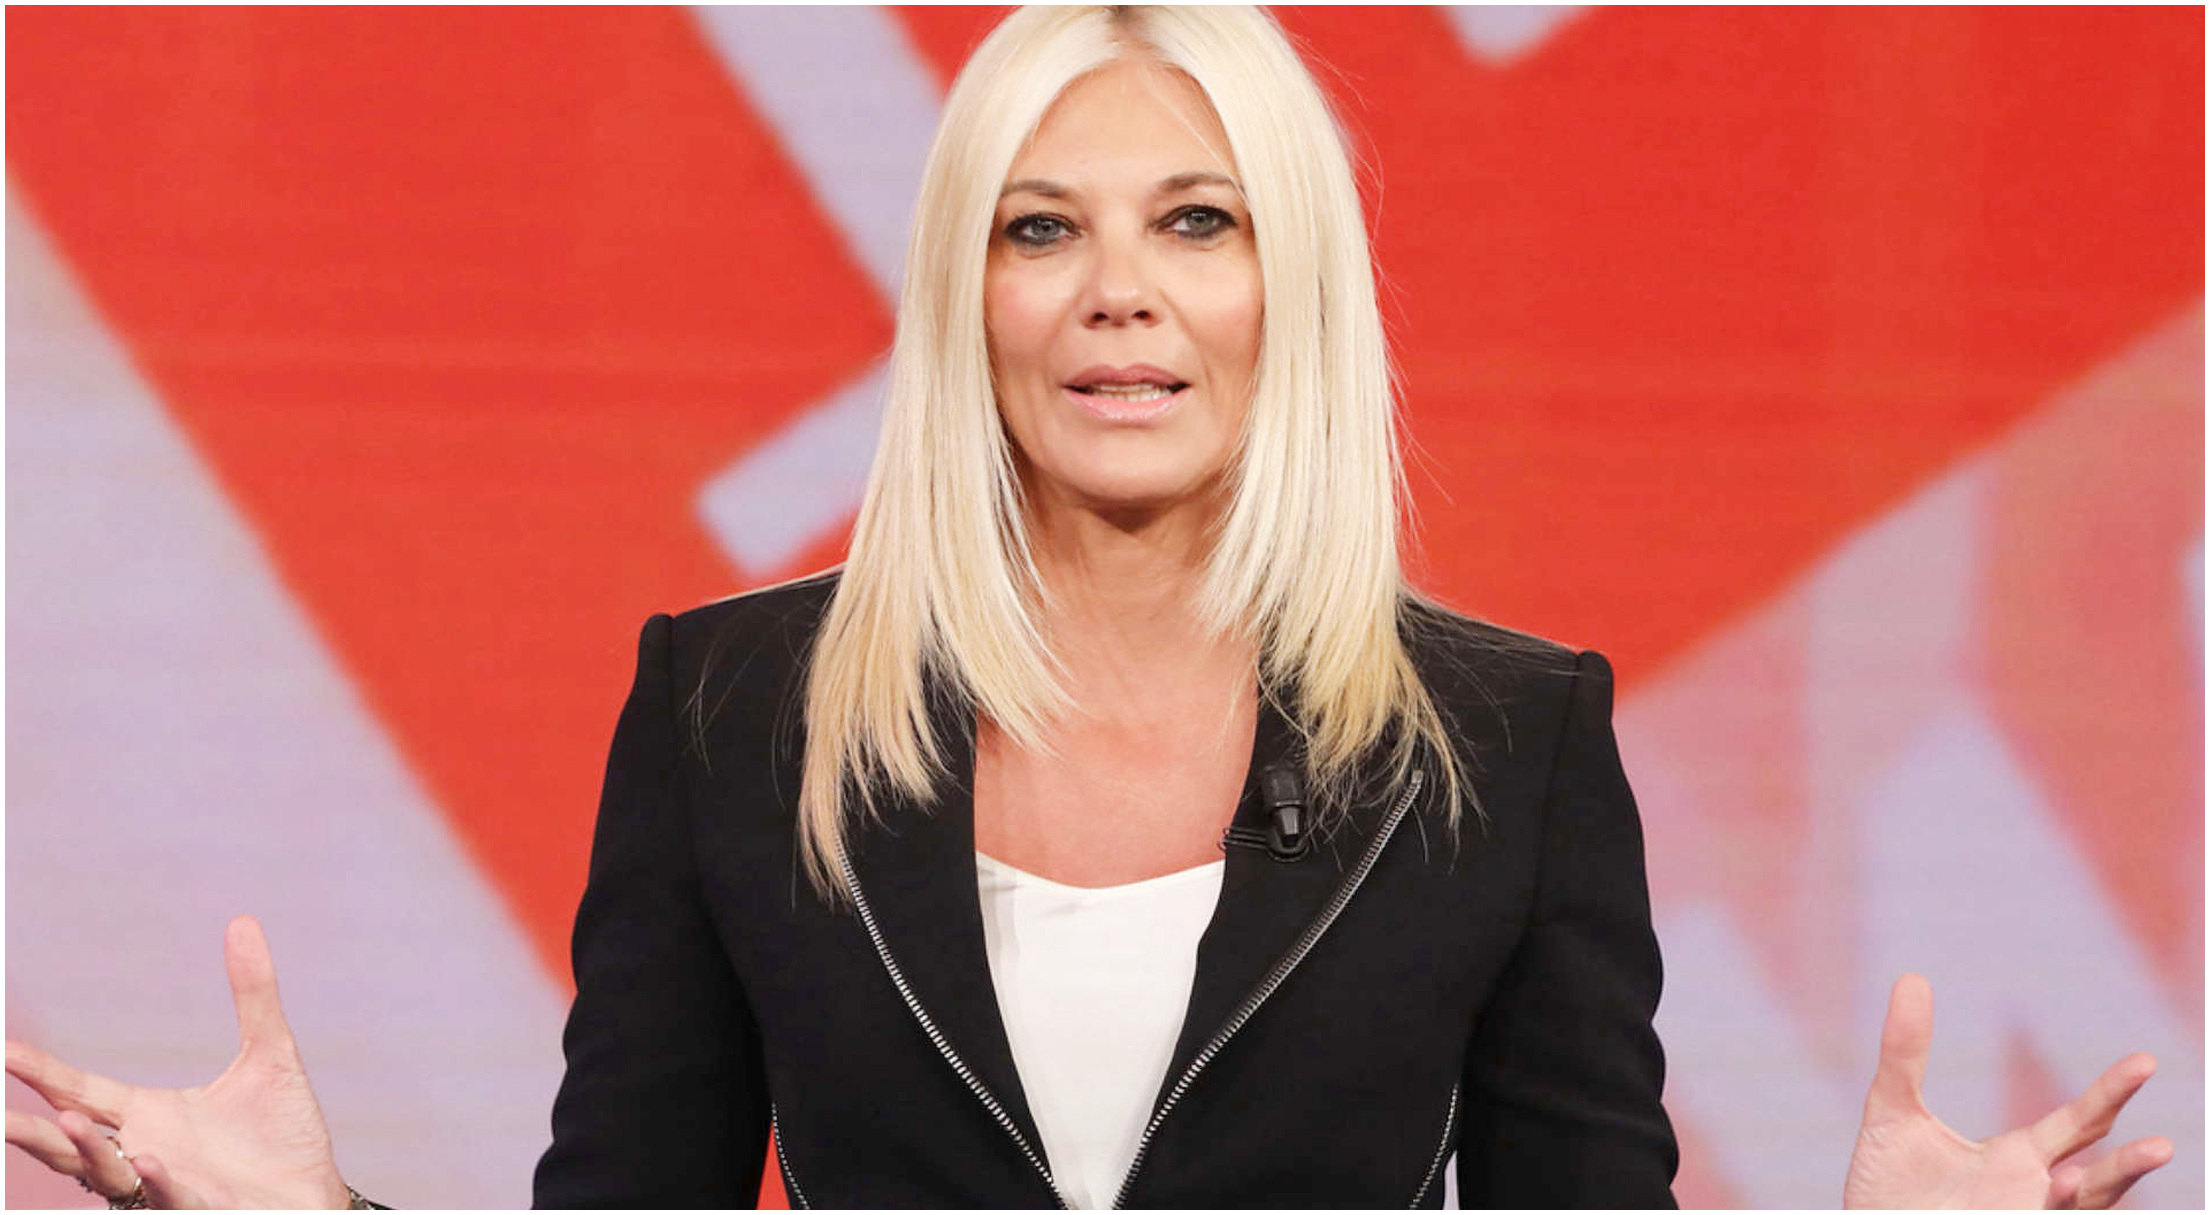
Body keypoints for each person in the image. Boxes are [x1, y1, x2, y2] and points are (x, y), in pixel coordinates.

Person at [4, 6, 2175, 1209]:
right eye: (1041, 228)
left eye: (1195, 221)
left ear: (1289, 286)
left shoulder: (1505, 740)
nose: (1118, 290)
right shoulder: (735, 709)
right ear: (966, 294)